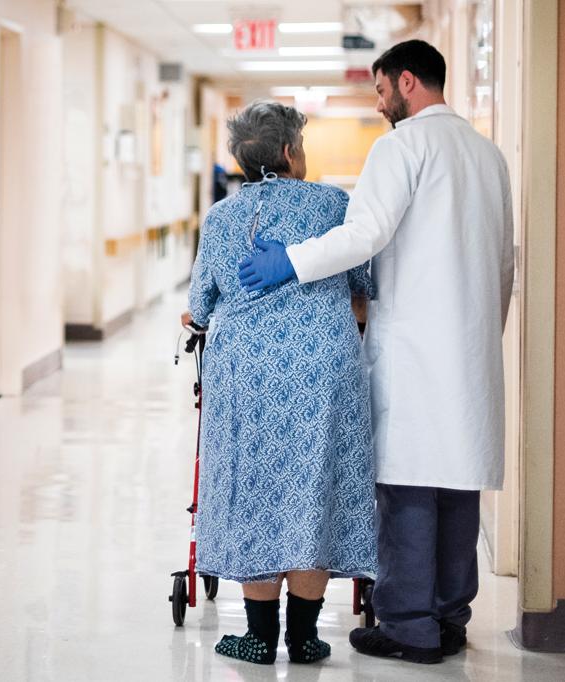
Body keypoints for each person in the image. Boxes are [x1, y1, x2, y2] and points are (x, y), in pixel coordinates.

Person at [236, 40, 515, 664]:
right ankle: (448, 620)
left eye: (381, 89)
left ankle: (408, 628)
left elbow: (365, 234)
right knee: (457, 489)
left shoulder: (401, 147)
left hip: (417, 348)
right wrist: (481, 337)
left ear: (408, 82)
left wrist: (292, 262)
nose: (379, 100)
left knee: (408, 490)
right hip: (467, 350)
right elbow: (504, 262)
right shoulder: (487, 155)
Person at [183, 100, 378, 665]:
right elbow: (363, 285)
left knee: (255, 492)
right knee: (318, 488)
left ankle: (259, 637)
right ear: (292, 152)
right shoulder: (334, 204)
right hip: (324, 372)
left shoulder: (222, 218)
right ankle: (306, 635)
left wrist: (197, 319)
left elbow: (201, 305)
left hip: (247, 378)